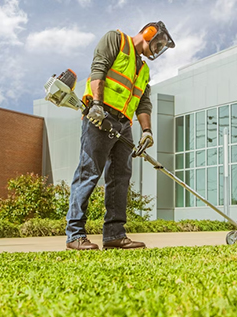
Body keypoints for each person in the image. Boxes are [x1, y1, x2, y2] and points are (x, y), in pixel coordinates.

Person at [65, 21, 175, 251]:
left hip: (124, 124)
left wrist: (147, 131)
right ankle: (75, 235)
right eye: (158, 44)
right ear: (149, 33)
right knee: (88, 173)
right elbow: (98, 70)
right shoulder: (116, 40)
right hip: (99, 116)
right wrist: (96, 105)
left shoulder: (144, 70)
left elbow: (143, 102)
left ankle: (114, 235)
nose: (158, 50)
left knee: (120, 179)